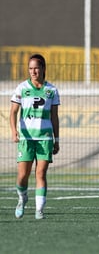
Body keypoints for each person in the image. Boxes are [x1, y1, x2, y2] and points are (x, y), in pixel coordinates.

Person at [10, 54, 60, 220]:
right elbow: (13, 112)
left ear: (43, 69)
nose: (33, 71)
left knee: (41, 173)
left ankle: (39, 209)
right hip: (26, 139)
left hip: (45, 138)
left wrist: (56, 139)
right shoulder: (21, 88)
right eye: (30, 68)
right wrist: (13, 131)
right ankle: (22, 198)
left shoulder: (51, 90)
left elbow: (54, 117)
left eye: (36, 68)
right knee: (23, 176)